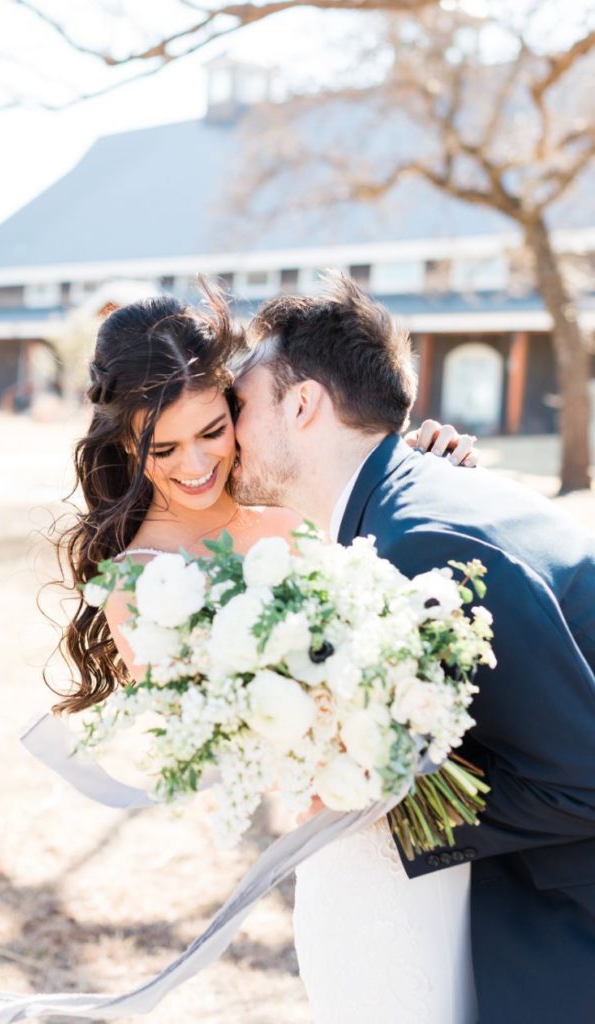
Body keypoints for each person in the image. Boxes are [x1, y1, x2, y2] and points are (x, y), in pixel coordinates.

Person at [230, 274, 595, 1024]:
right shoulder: (416, 500)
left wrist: (378, 807)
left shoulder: (417, 542)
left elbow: (580, 781)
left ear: (301, 405)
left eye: (239, 404)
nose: (226, 429)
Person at [53, 293, 475, 715]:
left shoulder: (293, 501)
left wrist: (414, 469)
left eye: (212, 432)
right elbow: (205, 741)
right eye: (164, 450)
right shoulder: (137, 584)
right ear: (128, 445)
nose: (197, 465)